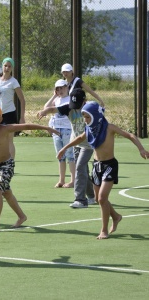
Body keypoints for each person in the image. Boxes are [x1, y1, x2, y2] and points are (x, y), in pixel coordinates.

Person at [57, 101, 149, 239]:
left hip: (110, 166)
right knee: (101, 199)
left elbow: (129, 135)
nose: (85, 120)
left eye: (88, 117)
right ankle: (116, 217)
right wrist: (64, 148)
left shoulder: (109, 128)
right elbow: (79, 139)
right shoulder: (89, 129)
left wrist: (141, 149)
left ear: (95, 115)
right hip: (96, 166)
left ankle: (104, 230)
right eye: (84, 117)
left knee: (101, 198)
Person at [0, 104, 59, 233]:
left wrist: (46, 127)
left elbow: (26, 126)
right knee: (6, 193)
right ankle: (22, 216)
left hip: (6, 165)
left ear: (0, 119)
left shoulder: (6, 129)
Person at [37, 88, 96, 208]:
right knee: (83, 169)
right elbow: (53, 109)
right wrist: (45, 111)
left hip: (88, 144)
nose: (76, 108)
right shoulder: (69, 106)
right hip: (76, 142)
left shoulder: (91, 108)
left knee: (79, 167)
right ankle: (92, 196)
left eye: (78, 104)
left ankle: (80, 200)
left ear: (85, 100)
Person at [0, 57, 26, 159]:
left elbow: (22, 100)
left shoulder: (13, 82)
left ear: (12, 68)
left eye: (9, 66)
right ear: (2, 66)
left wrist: (22, 117)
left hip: (9, 113)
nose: (7, 68)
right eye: (5, 65)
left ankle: (10, 163)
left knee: (9, 140)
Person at [44, 79, 75, 188]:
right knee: (60, 156)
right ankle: (61, 180)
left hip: (67, 129)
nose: (60, 90)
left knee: (70, 155)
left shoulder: (70, 99)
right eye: (58, 89)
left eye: (62, 88)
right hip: (56, 130)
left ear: (67, 87)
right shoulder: (56, 99)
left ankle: (73, 180)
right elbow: (46, 108)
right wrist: (53, 96)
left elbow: (53, 110)